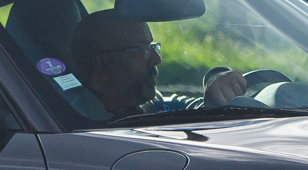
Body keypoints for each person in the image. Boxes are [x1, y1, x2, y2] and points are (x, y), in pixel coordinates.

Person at [67, 10, 250, 120]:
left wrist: (216, 86)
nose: (156, 59)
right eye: (142, 50)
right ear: (101, 65)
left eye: (152, 47)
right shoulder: (76, 122)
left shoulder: (147, 105)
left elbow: (186, 108)